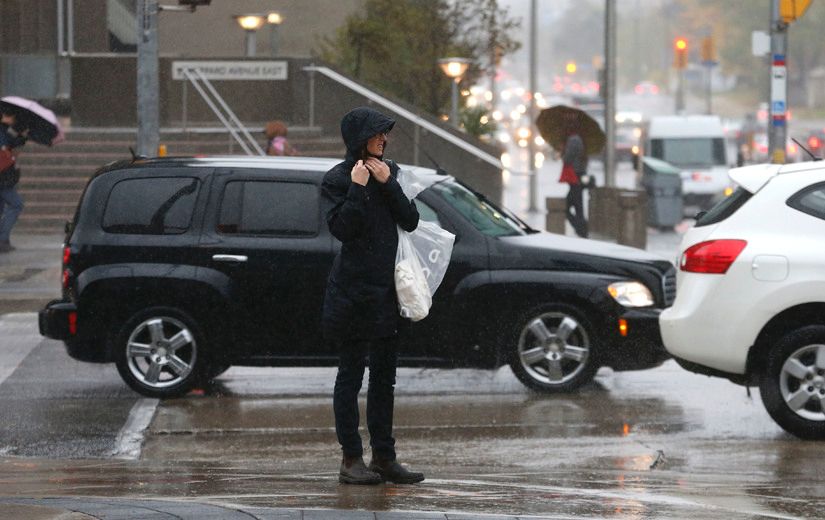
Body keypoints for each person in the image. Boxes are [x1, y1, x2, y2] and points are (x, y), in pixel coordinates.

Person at [321, 106, 424, 485]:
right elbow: (344, 229)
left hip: (386, 292)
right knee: (350, 376)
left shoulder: (390, 172)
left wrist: (388, 184)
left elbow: (410, 221)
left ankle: (385, 456)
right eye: (379, 133)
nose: (385, 139)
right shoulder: (336, 179)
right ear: (360, 137)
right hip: (352, 292)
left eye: (386, 133)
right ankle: (351, 459)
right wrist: (359, 188)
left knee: (385, 377)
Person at [0, 112, 27, 253]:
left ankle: (3, 239)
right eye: (10, 115)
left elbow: (15, 142)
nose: (13, 118)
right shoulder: (2, 131)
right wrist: (11, 156)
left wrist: (22, 136)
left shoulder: (6, 130)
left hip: (5, 179)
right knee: (16, 204)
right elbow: (4, 153)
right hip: (3, 179)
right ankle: (2, 239)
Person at [559, 118, 590, 238]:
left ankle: (581, 228)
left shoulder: (573, 140)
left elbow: (567, 159)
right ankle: (582, 229)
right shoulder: (579, 139)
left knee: (566, 207)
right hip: (578, 175)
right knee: (578, 205)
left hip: (575, 176)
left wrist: (563, 152)